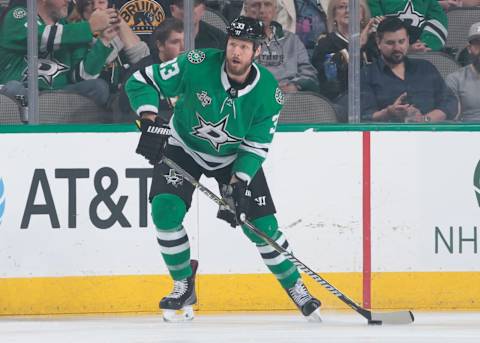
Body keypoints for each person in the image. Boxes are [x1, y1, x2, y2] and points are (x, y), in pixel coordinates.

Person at [125, 16, 321, 322]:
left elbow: (256, 145)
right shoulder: (196, 62)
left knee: (262, 227)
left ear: (256, 52)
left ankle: (297, 287)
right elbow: (141, 81)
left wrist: (238, 183)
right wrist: (149, 119)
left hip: (233, 158)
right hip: (184, 146)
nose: (236, 52)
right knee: (165, 210)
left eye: (244, 47)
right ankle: (182, 284)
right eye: (233, 44)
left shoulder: (269, 93)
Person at [0, 0, 118, 107]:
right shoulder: (18, 15)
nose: (68, 1)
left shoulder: (70, 29)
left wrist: (104, 41)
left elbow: (82, 77)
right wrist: (90, 26)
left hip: (58, 98)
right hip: (24, 96)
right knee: (13, 88)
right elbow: (42, 38)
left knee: (98, 87)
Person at [360, 17, 458, 122]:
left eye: (401, 41)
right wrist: (388, 113)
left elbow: (450, 103)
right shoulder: (367, 74)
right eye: (390, 43)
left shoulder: (425, 68)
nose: (397, 48)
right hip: (386, 135)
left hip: (429, 134)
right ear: (378, 42)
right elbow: (364, 115)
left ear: (408, 40)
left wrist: (424, 120)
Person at [71, 0, 150, 98]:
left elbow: (145, 64)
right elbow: (82, 78)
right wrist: (105, 41)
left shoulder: (119, 30)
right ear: (81, 10)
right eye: (88, 3)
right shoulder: (76, 33)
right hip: (91, 102)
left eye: (101, 2)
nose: (96, 7)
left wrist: (120, 23)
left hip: (122, 99)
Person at [312, 0, 380, 102]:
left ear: (363, 14)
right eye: (341, 7)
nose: (348, 11)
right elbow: (326, 73)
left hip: (376, 98)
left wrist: (385, 33)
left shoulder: (374, 40)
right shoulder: (325, 42)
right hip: (341, 101)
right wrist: (357, 45)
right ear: (334, 15)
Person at [244, 0, 319, 92]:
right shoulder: (237, 41)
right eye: (255, 5)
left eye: (267, 4)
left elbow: (309, 74)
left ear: (275, 10)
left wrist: (295, 86)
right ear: (246, 9)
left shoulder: (292, 40)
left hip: (292, 99)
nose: (262, 10)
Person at [118, 17, 184, 120]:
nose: (183, 47)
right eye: (175, 42)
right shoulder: (140, 74)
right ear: (160, 45)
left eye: (186, 41)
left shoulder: (198, 67)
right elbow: (127, 113)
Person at [368, 0, 448, 52]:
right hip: (388, 57)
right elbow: (375, 26)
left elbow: (439, 22)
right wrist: (406, 49)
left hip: (423, 55)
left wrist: (424, 44)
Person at [446, 22, 480, 122]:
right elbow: (453, 117)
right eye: (478, 44)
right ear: (469, 49)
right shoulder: (455, 79)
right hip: (468, 133)